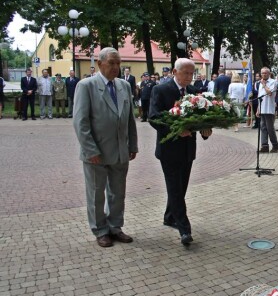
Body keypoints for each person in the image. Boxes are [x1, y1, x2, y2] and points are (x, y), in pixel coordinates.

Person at [72, 47, 138, 247]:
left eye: (118, 63)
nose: (116, 67)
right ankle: (100, 230)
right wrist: (90, 150)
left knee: (118, 192)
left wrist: (132, 145)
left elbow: (130, 119)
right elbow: (80, 122)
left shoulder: (124, 86)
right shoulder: (86, 86)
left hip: (120, 151)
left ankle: (115, 227)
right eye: (112, 63)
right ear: (100, 64)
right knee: (96, 193)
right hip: (96, 153)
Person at [149, 58, 213, 246]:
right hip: (169, 149)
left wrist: (206, 130)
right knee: (175, 190)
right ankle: (185, 229)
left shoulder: (194, 92)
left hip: (187, 150)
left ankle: (169, 217)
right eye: (185, 73)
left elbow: (203, 117)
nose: (189, 77)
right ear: (175, 72)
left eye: (192, 73)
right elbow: (153, 117)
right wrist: (176, 129)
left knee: (181, 188)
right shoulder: (160, 90)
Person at [256, 67, 278, 153]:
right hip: (262, 108)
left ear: (269, 74)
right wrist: (258, 109)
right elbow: (259, 97)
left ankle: (275, 145)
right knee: (263, 127)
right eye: (262, 73)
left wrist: (264, 84)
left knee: (270, 128)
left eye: (265, 73)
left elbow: (269, 93)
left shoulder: (273, 82)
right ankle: (264, 146)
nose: (263, 75)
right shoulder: (260, 83)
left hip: (269, 108)